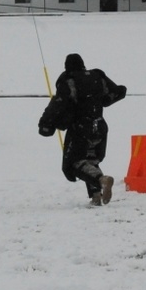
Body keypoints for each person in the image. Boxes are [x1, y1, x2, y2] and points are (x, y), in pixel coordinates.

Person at [39, 53, 126, 206]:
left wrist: (46, 124)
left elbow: (59, 103)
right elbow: (119, 92)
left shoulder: (69, 80)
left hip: (80, 128)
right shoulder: (97, 75)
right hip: (99, 126)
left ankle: (101, 181)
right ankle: (96, 196)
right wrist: (103, 101)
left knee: (73, 164)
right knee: (90, 160)